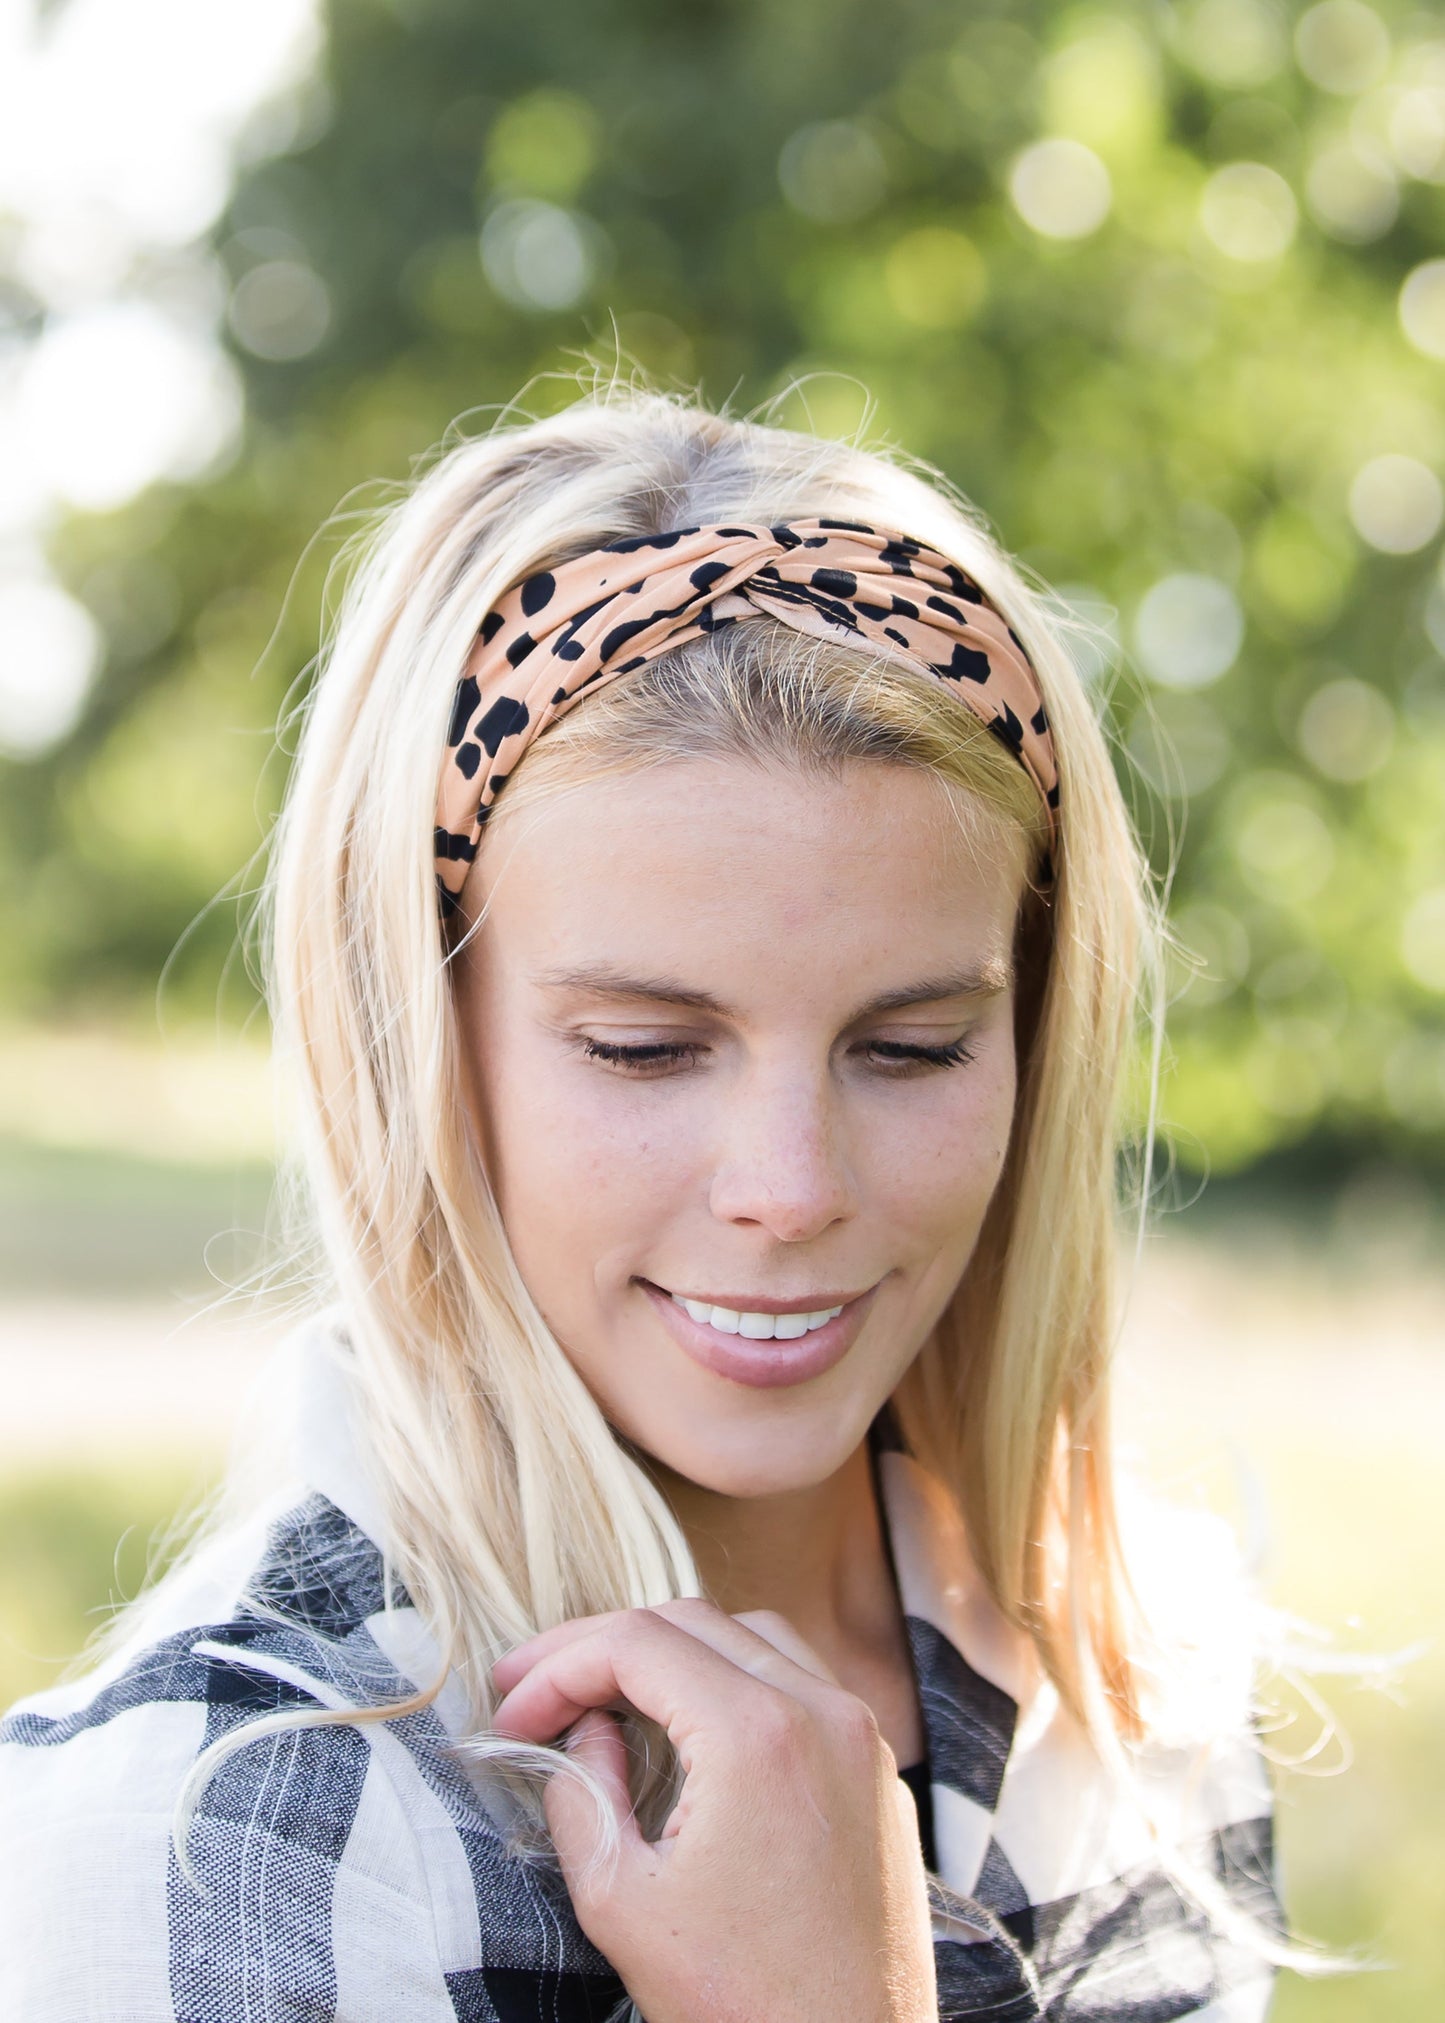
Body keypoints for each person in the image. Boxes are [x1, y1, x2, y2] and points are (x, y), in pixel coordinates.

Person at [0, 389, 1284, 2020]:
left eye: (909, 1046)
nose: (790, 1192)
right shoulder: (216, 1836)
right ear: (415, 1039)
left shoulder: (1132, 1697)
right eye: (644, 1047)